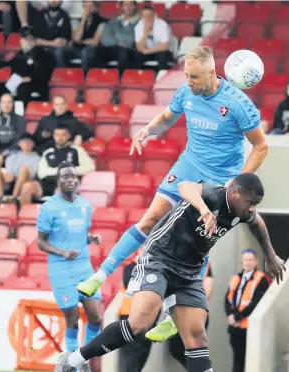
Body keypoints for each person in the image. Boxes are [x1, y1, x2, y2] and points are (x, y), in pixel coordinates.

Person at [77, 45, 268, 342]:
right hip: (188, 166)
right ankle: (100, 275)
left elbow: (261, 146)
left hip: (219, 180)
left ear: (212, 74)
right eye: (186, 76)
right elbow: (167, 116)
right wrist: (146, 130)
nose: (188, 82)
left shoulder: (238, 104)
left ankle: (171, 316)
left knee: (199, 244)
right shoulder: (186, 93)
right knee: (151, 218)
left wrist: (237, 183)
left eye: (194, 77)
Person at [54, 173, 286, 372]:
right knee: (139, 324)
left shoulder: (244, 213)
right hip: (160, 258)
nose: (253, 208)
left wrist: (270, 255)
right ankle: (72, 360)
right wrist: (204, 210)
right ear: (234, 193)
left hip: (190, 271)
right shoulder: (213, 195)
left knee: (197, 335)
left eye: (256, 204)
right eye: (251, 202)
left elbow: (258, 224)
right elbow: (184, 186)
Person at [37, 162, 102, 372]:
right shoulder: (49, 207)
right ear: (58, 181)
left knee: (96, 317)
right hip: (61, 269)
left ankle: (84, 358)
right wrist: (62, 252)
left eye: (73, 176)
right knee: (72, 320)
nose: (70, 180)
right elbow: (41, 241)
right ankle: (74, 365)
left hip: (83, 266)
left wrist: (90, 238)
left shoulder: (85, 205)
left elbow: (80, 234)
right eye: (65, 176)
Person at [224, 248, 269, 372]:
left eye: (250, 260)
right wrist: (231, 316)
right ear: (241, 262)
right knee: (237, 360)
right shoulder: (235, 278)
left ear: (256, 262)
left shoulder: (261, 279)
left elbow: (255, 303)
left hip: (249, 327)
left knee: (248, 361)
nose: (248, 262)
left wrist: (237, 317)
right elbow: (227, 300)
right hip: (235, 327)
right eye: (245, 260)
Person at [0, 26, 55, 105]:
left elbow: (44, 72)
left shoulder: (44, 55)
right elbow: (8, 63)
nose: (27, 42)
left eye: (31, 39)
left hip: (35, 84)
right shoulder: (20, 54)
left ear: (35, 41)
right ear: (21, 40)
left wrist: (31, 78)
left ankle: (22, 113)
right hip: (17, 82)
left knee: (22, 87)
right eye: (25, 39)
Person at [169, 259, 214, 368]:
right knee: (176, 349)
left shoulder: (204, 264)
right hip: (179, 314)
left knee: (194, 349)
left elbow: (208, 287)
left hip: (196, 314)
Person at [35, 124, 95, 198]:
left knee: (61, 189)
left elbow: (90, 166)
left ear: (68, 136)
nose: (60, 138)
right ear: (53, 136)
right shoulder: (48, 152)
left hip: (68, 183)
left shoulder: (76, 150)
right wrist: (59, 171)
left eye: (63, 135)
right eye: (57, 135)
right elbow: (41, 172)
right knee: (27, 187)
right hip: (47, 184)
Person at [0, 132, 40, 204]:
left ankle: (13, 198)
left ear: (33, 143)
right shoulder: (13, 155)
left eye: (29, 141)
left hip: (25, 182)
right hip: (10, 181)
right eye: (24, 142)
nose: (26, 144)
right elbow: (9, 174)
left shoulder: (37, 158)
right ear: (19, 144)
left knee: (24, 169)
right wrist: (9, 174)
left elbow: (32, 174)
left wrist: (17, 175)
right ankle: (1, 197)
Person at [98, 0, 139, 72]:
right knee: (95, 52)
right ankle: (100, 78)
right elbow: (105, 39)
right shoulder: (114, 20)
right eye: (125, 5)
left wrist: (117, 38)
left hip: (131, 50)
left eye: (131, 4)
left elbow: (133, 39)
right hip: (113, 48)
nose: (128, 7)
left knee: (123, 53)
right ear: (122, 7)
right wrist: (119, 42)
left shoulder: (141, 20)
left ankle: (120, 79)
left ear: (135, 6)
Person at [65, 1, 105, 73]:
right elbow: (77, 38)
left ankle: (84, 78)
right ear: (83, 7)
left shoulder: (101, 22)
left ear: (95, 8)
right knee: (60, 51)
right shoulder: (75, 21)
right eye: (86, 6)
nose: (88, 9)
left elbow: (95, 41)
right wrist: (83, 20)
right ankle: (63, 77)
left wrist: (81, 42)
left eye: (91, 6)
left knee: (85, 52)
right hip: (76, 49)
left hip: (93, 50)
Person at [0, 93, 26, 166]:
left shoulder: (20, 120)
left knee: (14, 156)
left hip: (13, 151)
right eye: (3, 102)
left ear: (13, 104)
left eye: (9, 102)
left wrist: (3, 154)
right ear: (0, 104)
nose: (6, 105)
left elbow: (19, 140)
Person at [31, 0, 72, 67]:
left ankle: (60, 75)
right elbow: (35, 39)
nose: (53, 1)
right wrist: (52, 43)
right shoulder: (39, 14)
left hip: (57, 49)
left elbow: (64, 41)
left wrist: (56, 43)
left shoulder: (65, 16)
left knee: (59, 52)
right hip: (41, 47)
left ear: (61, 1)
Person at [134, 4, 173, 71]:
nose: (147, 18)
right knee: (137, 55)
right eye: (145, 16)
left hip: (164, 51)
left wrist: (148, 51)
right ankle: (138, 77)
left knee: (162, 56)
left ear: (154, 15)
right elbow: (139, 48)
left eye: (150, 15)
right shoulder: (139, 26)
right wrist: (145, 33)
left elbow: (163, 46)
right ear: (141, 17)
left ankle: (163, 79)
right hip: (148, 52)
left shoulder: (162, 25)